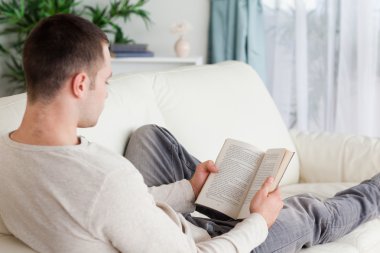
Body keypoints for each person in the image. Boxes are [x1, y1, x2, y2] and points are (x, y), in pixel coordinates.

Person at [0, 13, 378, 253]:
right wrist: (259, 221)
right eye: (106, 81)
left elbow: (111, 209)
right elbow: (112, 201)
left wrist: (189, 189)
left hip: (151, 222)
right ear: (80, 84)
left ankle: (221, 198)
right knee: (310, 212)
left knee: (149, 135)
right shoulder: (106, 179)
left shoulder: (7, 154)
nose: (107, 93)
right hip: (203, 240)